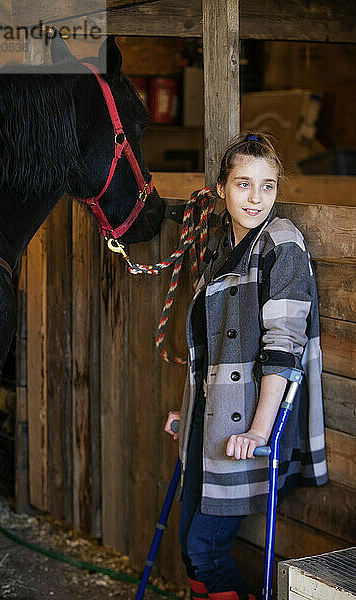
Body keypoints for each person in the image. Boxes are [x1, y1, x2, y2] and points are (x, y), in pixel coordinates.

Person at [164, 131, 328, 600]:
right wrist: (188, 410)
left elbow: (283, 347)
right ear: (221, 188)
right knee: (188, 548)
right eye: (243, 184)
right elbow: (209, 347)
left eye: (268, 185)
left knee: (205, 551)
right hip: (209, 420)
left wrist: (259, 431)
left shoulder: (282, 244)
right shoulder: (218, 246)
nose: (256, 198)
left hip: (248, 423)